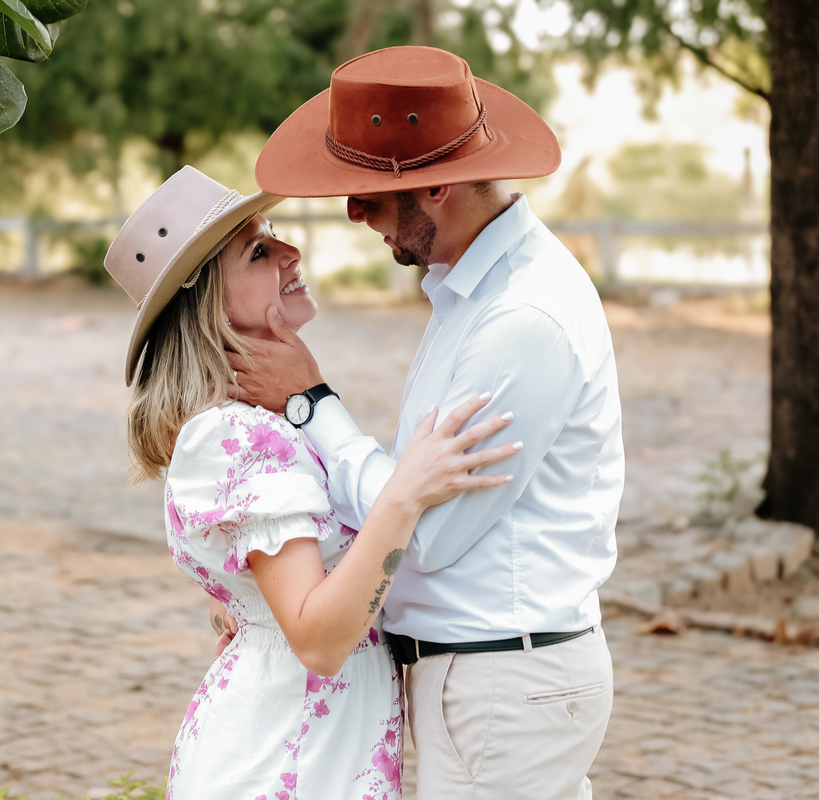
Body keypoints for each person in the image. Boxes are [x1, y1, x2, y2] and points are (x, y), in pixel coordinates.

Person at [227, 46, 624, 799]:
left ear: (436, 185)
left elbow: (432, 531)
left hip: (503, 680)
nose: (353, 214)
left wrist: (311, 402)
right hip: (488, 676)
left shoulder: (520, 319)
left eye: (367, 196)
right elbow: (411, 493)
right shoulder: (471, 292)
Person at [102, 165, 518, 799]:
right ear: (207, 304)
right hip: (282, 762)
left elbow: (278, 579)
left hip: (307, 746)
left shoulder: (266, 420)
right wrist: (404, 496)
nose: (291, 252)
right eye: (258, 251)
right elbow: (319, 640)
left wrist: (245, 600)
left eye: (274, 233)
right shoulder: (239, 434)